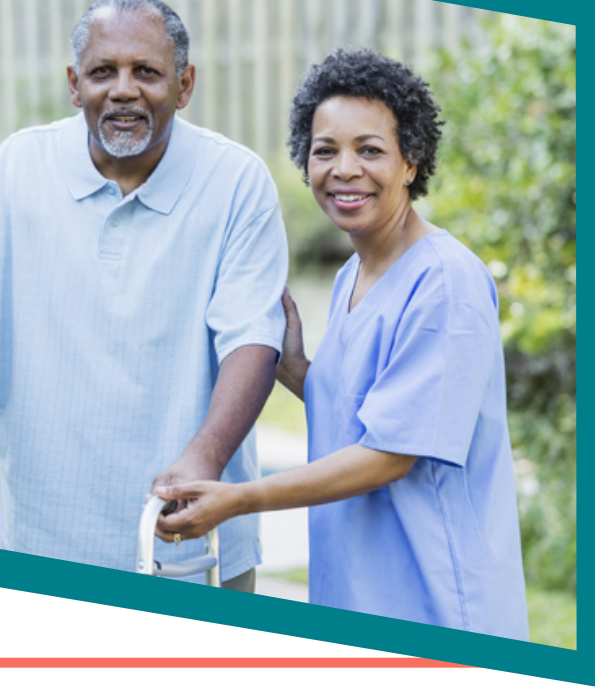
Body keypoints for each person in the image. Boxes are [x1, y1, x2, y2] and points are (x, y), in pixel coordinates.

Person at [0, 0, 289, 591]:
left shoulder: (236, 182)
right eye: (103, 72)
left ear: (184, 87)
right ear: (74, 84)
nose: (124, 90)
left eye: (147, 73)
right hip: (38, 544)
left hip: (190, 544)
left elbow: (252, 340)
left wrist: (206, 455)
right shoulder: (15, 170)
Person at [156, 48, 529, 639]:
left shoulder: (445, 281)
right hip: (357, 595)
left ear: (411, 162)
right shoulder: (350, 277)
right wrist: (301, 370)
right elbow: (373, 413)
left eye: (370, 150)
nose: (344, 168)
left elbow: (390, 453)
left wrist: (238, 499)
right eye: (325, 150)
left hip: (435, 606)